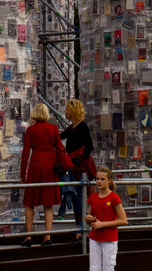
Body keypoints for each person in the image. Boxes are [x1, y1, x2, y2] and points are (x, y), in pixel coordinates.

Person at [19, 103, 63, 246]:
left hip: (36, 164)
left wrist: (22, 173)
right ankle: (47, 237)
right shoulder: (53, 128)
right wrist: (62, 167)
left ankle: (29, 237)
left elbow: (25, 153)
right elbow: (60, 149)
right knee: (48, 204)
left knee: (30, 203)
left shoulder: (30, 130)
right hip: (50, 165)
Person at [85, 166, 127, 271]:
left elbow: (123, 220)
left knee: (108, 267)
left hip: (109, 238)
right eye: (97, 179)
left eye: (102, 179)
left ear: (109, 180)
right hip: (95, 237)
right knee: (94, 268)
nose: (99, 182)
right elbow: (90, 217)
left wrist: (102, 224)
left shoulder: (114, 198)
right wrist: (88, 218)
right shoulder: (93, 198)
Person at [61, 98, 95, 226]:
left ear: (72, 111)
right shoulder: (73, 127)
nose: (64, 111)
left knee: (79, 196)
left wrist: (79, 160)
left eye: (66, 109)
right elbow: (61, 136)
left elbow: (89, 147)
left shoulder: (82, 126)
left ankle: (81, 227)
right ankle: (79, 227)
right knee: (76, 196)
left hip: (80, 167)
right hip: (74, 165)